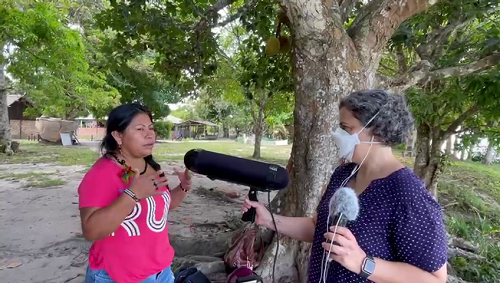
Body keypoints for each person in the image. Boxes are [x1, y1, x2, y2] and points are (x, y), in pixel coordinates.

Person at [243, 90, 448, 283]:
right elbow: (319, 227)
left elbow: (435, 278)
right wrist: (269, 219)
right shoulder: (344, 174)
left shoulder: (408, 195)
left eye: (346, 128)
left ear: (377, 132)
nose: (337, 135)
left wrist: (362, 263)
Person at [78, 103, 192, 283]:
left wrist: (183, 187)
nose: (150, 134)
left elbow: (159, 210)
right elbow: (91, 231)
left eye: (151, 128)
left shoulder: (151, 166)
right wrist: (132, 195)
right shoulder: (102, 173)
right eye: (140, 129)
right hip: (118, 276)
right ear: (118, 136)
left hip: (161, 271)